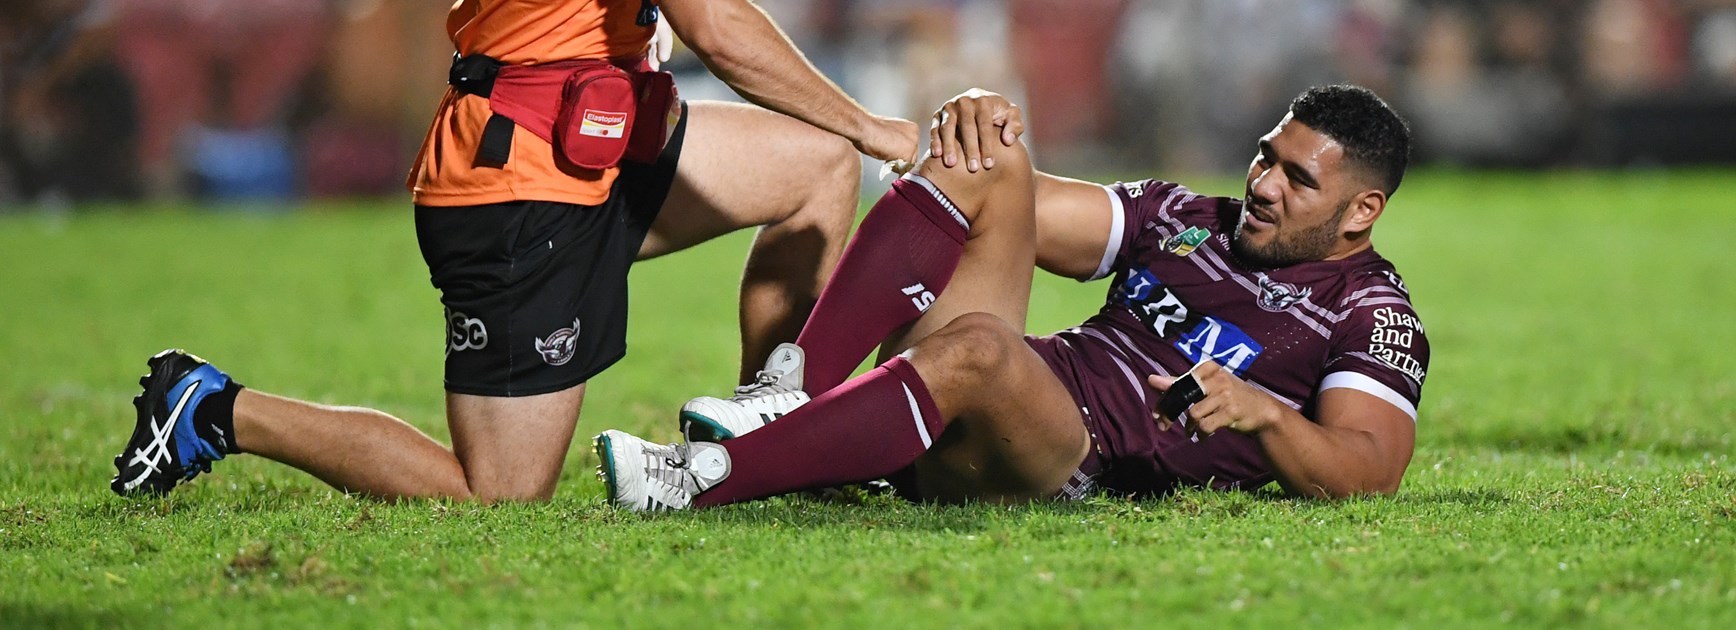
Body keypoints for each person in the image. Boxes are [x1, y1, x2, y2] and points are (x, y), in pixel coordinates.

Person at [109, 0, 929, 502]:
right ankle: (211, 407)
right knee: (498, 493)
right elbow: (717, 26)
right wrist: (872, 127)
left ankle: (768, 442)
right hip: (517, 184)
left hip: (602, 150)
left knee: (816, 169)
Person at [596, 84, 1429, 509]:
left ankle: (701, 478)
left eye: (1296, 179)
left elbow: (1372, 471)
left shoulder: (1371, 312)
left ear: (1363, 210)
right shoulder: (1190, 216)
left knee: (986, 352)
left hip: (1077, 458)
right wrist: (975, 122)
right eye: (1263, 157)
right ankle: (792, 396)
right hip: (1005, 393)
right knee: (985, 154)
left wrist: (1269, 413)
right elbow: (1010, 195)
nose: (1262, 185)